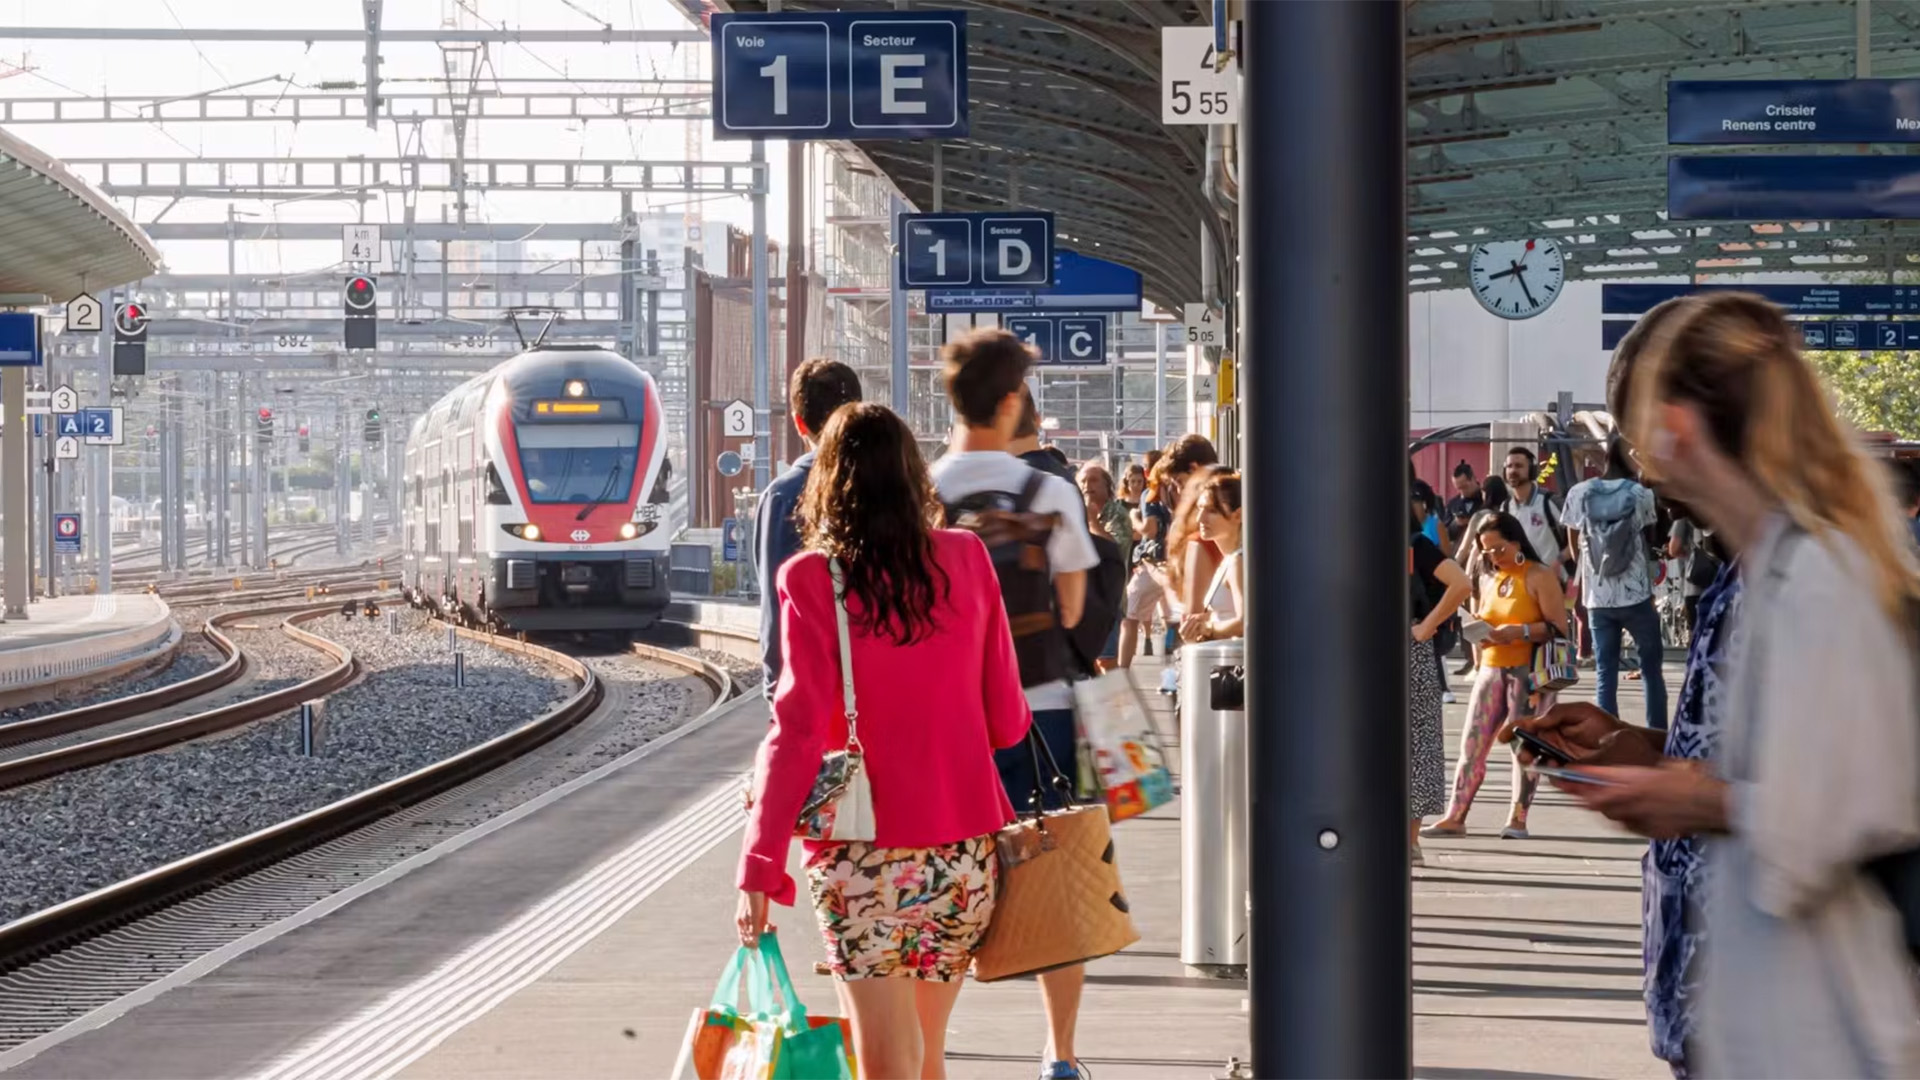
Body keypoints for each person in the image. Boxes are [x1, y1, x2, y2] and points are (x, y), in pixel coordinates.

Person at [1513, 292, 1920, 1079]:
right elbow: (1784, 762)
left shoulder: (1817, 576)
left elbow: (1836, 820)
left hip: (1819, 1035)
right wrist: (1639, 748)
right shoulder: (1763, 567)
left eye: (1631, 430)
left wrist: (1689, 801)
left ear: (1677, 428)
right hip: (1749, 1016)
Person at [735, 402, 1031, 1080]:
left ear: (830, 482)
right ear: (912, 475)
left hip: (859, 854)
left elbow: (798, 732)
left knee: (885, 1064)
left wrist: (759, 865)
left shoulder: (810, 579)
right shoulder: (967, 557)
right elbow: (1008, 720)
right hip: (961, 850)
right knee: (924, 1055)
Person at [928, 327, 1099, 1080]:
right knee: (1054, 883)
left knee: (939, 877)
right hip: (1043, 714)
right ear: (1009, 401)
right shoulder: (1050, 492)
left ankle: (931, 1048)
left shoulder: (922, 493)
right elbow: (1069, 609)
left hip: (947, 723)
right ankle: (1059, 1055)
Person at [1420, 511, 1568, 841]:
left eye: (1498, 549)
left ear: (1516, 543)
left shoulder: (1538, 575)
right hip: (1490, 667)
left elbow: (1559, 628)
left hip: (1528, 673)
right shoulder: (1488, 577)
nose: (1493, 557)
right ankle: (1455, 815)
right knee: (1473, 745)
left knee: (1524, 748)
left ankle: (1518, 818)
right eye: (1485, 552)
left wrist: (1521, 631)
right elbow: (1481, 614)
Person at [755, 358, 862, 691]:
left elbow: (777, 606)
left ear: (799, 423)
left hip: (814, 687)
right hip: (894, 683)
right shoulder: (904, 484)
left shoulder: (783, 497)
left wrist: (776, 689)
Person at [1562, 436, 1666, 729]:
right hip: (1636, 594)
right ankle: (1657, 734)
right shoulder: (1640, 494)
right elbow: (1650, 533)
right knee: (1650, 670)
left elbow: (1573, 540)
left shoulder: (1579, 493)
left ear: (1605, 457)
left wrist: (1591, 569)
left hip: (1598, 598)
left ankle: (1609, 736)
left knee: (1605, 672)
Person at [1410, 497, 1472, 865]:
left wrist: (1425, 628)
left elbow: (1462, 584)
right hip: (1369, 654)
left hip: (1409, 651)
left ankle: (1410, 841)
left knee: (1416, 745)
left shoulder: (1415, 544)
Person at [1079, 461, 1131, 672]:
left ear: (1107, 486)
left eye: (1093, 480)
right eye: (1082, 480)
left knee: (1106, 661)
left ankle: (1116, 705)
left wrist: (1092, 521)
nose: (1087, 485)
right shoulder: (1074, 513)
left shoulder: (1117, 514)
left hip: (1109, 600)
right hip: (1082, 599)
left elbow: (1116, 551)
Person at [1179, 470, 1242, 643]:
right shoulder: (1230, 560)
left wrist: (1208, 628)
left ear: (1238, 515)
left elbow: (1246, 622)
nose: (1200, 518)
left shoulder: (1238, 561)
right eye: (1200, 509)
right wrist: (1201, 623)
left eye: (1212, 510)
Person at [1120, 461, 1171, 668]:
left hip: (1152, 562)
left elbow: (1148, 530)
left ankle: (1122, 672)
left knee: (1128, 617)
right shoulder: (1178, 491)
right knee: (1172, 617)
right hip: (1176, 561)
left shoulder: (1150, 495)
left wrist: (1133, 517)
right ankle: (1175, 670)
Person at [1501, 446, 1567, 577]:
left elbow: (1578, 537)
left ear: (1531, 470)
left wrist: (1558, 562)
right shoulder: (1506, 507)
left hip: (1551, 579)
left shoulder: (1549, 502)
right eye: (1509, 466)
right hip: (1519, 580)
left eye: (1519, 466)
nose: (1513, 470)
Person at [1446, 460, 1485, 534]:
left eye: (1464, 487)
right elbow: (1445, 533)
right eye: (1458, 489)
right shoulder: (1452, 504)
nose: (1462, 492)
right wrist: (1456, 524)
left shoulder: (1486, 498)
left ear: (1473, 479)